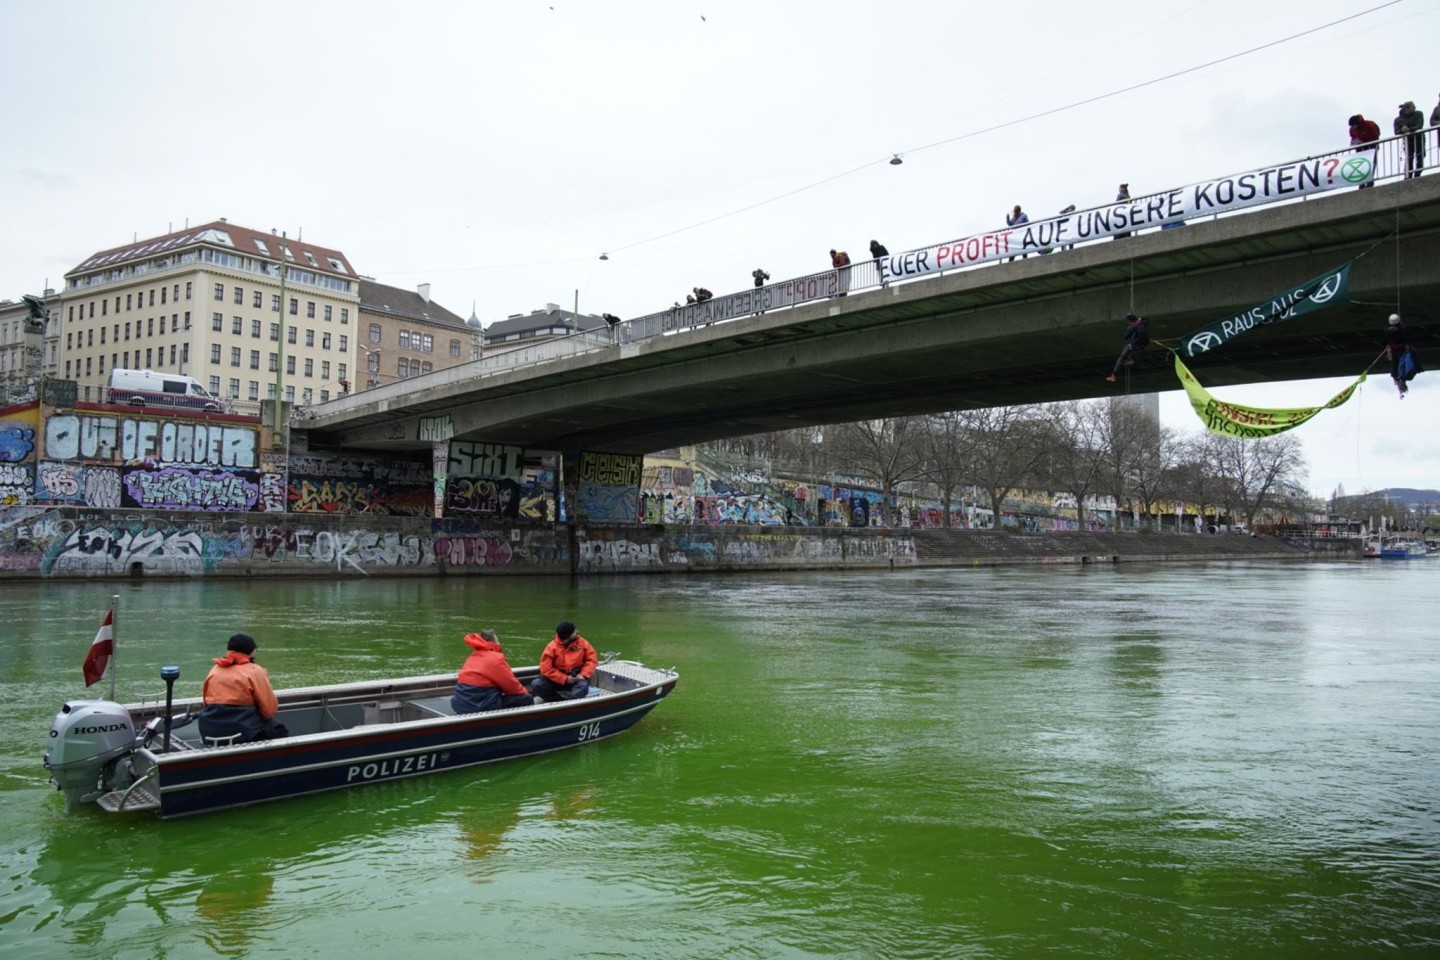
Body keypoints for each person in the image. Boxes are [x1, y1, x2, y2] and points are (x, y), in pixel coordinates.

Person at [197, 633, 286, 745]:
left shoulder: (214, 670)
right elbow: (269, 710)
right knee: (279, 730)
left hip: (210, 732)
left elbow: (206, 702)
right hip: (242, 732)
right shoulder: (254, 671)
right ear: (251, 651)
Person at [451, 629, 534, 714]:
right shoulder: (496, 658)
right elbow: (512, 687)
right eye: (498, 641)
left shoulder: (472, 656)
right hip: (481, 706)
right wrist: (526, 694)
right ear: (493, 643)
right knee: (526, 698)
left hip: (460, 705)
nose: (499, 643)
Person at [529, 621, 598, 703]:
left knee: (581, 687)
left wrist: (583, 674)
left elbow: (592, 659)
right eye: (574, 631)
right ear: (567, 637)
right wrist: (565, 679)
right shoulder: (551, 647)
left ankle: (572, 705)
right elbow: (546, 668)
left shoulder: (582, 642)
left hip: (578, 676)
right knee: (537, 684)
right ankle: (558, 702)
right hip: (557, 679)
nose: (577, 632)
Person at [1106, 311, 1150, 382]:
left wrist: (1133, 327)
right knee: (1131, 348)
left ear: (1129, 320)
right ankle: (1131, 359)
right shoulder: (1142, 322)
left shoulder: (1132, 327)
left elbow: (1126, 337)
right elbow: (1147, 318)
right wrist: (1139, 319)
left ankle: (1113, 375)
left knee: (1121, 358)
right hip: (1144, 343)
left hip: (1135, 344)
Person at [1386, 313, 1423, 397]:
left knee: (1397, 367)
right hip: (1402, 351)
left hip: (1396, 352)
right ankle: (1402, 380)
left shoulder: (1388, 331)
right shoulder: (1404, 329)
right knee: (1409, 363)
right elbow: (1408, 337)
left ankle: (1399, 380)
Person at [1349, 113, 1382, 189]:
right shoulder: (1352, 129)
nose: (1353, 127)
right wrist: (1354, 143)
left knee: (1371, 164)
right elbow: (1353, 138)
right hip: (1360, 150)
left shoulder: (1370, 124)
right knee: (1360, 166)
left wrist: (1364, 142)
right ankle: (1362, 183)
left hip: (1371, 148)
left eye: (1354, 125)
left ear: (1358, 123)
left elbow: (1376, 136)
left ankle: (1369, 181)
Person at [1395, 101, 1426, 179]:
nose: (1415, 108)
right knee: (1409, 158)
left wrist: (1408, 129)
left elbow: (1419, 126)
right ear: (1407, 109)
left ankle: (1417, 175)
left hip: (1419, 139)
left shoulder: (1419, 114)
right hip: (1408, 141)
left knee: (1420, 157)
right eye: (1413, 106)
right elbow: (1396, 131)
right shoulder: (1398, 119)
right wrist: (1402, 130)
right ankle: (1408, 176)